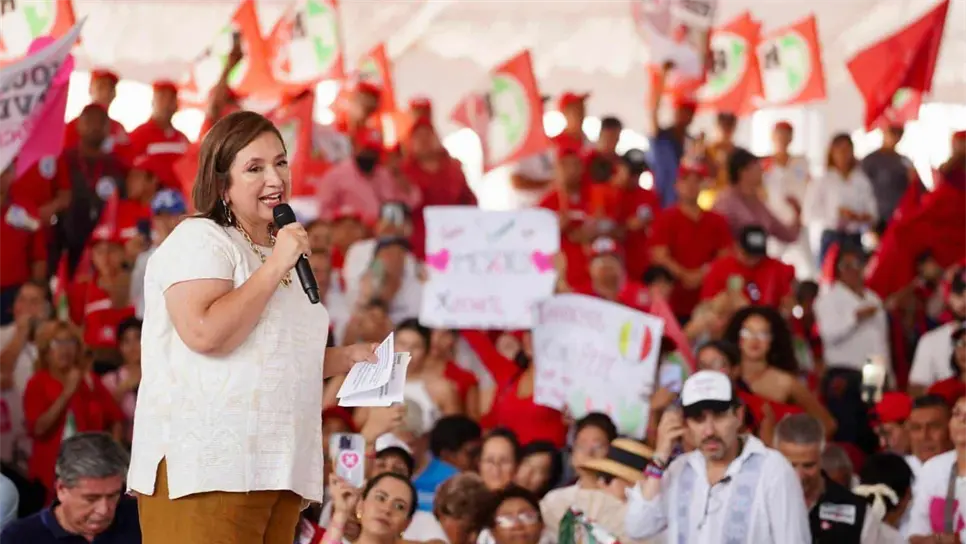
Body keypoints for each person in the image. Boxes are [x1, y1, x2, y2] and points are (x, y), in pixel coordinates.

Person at [129, 111, 380, 543]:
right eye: (255, 167)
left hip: (279, 469)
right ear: (221, 181)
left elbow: (274, 352)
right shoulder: (201, 239)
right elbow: (206, 333)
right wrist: (278, 262)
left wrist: (351, 358)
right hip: (208, 469)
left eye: (281, 163)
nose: (275, 177)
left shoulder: (277, 248)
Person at [624, 370, 810, 543]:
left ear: (738, 415)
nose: (709, 431)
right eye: (698, 419)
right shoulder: (679, 469)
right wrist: (660, 455)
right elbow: (638, 527)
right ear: (684, 424)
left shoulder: (772, 469)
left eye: (719, 416)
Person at [0, 432, 140, 543]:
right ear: (61, 489)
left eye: (113, 495)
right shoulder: (20, 538)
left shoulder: (139, 519)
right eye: (91, 499)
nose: (104, 510)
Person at [774, 413, 890, 543]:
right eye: (790, 465)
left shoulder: (857, 512)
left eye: (808, 465)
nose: (799, 476)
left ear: (822, 458)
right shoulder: (758, 504)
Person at [906, 395, 966, 542]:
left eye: (934, 427)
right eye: (957, 414)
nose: (962, 421)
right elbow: (916, 530)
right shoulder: (933, 468)